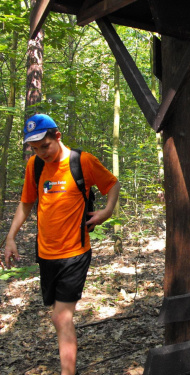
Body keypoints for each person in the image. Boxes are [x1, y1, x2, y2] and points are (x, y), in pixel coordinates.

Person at [3, 114, 120, 375]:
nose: (40, 153)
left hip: (75, 253)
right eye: (34, 148)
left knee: (61, 316)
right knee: (56, 313)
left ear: (57, 136)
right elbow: (26, 202)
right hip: (46, 254)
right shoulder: (35, 165)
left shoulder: (82, 162)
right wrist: (10, 237)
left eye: (44, 146)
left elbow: (111, 184)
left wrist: (107, 211)